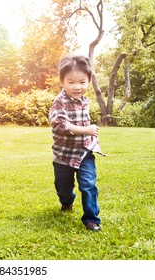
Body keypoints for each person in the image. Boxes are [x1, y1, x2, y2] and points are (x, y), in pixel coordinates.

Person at [49, 54, 105, 231]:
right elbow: (60, 125)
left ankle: (91, 220)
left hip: (84, 153)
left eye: (82, 82)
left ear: (89, 81)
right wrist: (87, 130)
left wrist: (90, 136)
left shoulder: (85, 100)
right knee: (63, 188)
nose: (77, 87)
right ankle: (67, 201)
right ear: (62, 82)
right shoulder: (60, 102)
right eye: (71, 82)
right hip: (63, 156)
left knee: (89, 185)